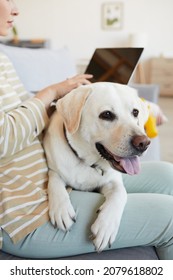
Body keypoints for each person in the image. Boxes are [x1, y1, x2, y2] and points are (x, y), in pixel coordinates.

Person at [1, 0, 173, 260]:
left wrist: (75, 97)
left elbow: (25, 111)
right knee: (170, 215)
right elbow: (4, 137)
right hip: (24, 210)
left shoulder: (2, 58)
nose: (16, 9)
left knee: (168, 174)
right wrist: (51, 94)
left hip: (45, 179)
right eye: (7, 0)